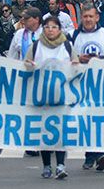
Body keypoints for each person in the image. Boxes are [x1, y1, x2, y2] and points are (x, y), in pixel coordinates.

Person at [24, 16, 78, 180]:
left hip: (62, 97)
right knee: (44, 132)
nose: (50, 30)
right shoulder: (36, 46)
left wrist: (74, 66)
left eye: (54, 27)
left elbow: (75, 65)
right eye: (47, 27)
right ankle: (47, 165)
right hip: (41, 97)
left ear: (59, 29)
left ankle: (61, 165)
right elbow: (26, 64)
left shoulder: (67, 46)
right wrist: (30, 66)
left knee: (60, 131)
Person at [71, 5, 104, 171]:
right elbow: (68, 55)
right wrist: (78, 58)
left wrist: (99, 59)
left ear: (97, 17)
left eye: (91, 16)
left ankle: (101, 153)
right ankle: (90, 156)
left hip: (102, 84)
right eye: (85, 16)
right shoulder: (75, 35)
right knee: (87, 120)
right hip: (83, 84)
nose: (88, 19)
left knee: (100, 120)